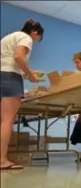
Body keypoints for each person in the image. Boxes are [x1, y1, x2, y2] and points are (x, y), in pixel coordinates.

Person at [1, 19, 44, 170]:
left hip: (2, 75)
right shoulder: (25, 38)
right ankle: (2, 160)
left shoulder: (8, 37)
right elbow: (19, 56)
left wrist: (24, 73)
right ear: (34, 32)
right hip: (10, 77)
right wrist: (30, 75)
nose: (35, 40)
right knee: (7, 120)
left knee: (2, 120)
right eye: (37, 38)